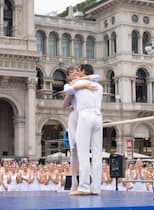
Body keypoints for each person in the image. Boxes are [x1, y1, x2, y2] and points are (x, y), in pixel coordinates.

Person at [64, 64, 103, 195]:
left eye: (78, 71)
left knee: (83, 153)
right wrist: (85, 83)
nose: (76, 73)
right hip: (98, 116)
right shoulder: (99, 86)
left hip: (85, 116)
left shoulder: (75, 86)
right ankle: (96, 187)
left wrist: (80, 83)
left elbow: (69, 90)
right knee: (97, 154)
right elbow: (96, 77)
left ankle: (84, 187)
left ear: (83, 72)